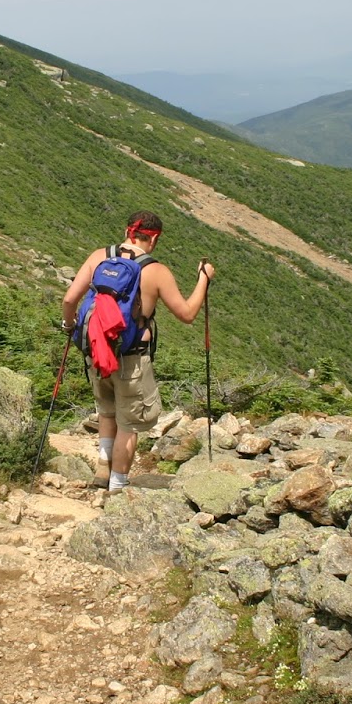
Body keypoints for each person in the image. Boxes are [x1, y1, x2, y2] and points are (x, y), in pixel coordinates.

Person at [61, 211, 215, 493]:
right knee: (129, 425)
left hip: (96, 352)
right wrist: (204, 278)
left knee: (107, 414)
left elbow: (70, 298)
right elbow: (188, 314)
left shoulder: (99, 257)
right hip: (130, 357)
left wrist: (68, 326)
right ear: (153, 240)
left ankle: (102, 472)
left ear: (127, 230)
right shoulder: (154, 271)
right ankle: (118, 488)